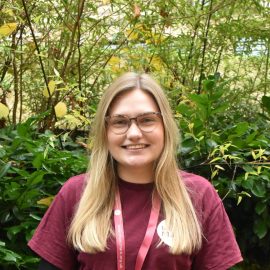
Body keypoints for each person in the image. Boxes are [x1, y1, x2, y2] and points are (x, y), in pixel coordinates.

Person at [28, 72, 243, 270]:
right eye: (120, 122)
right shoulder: (76, 193)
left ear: (164, 126)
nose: (133, 133)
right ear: (106, 131)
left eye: (147, 120)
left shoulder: (199, 195)